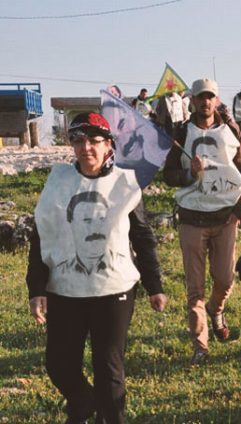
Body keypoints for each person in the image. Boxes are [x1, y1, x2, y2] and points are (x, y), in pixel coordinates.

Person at [26, 112, 167, 424]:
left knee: (109, 367)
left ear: (108, 146)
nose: (85, 147)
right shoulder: (58, 183)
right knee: (60, 364)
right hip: (64, 289)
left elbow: (142, 236)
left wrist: (154, 285)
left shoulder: (125, 184)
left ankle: (110, 417)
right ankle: (83, 401)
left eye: (94, 140)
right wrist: (36, 290)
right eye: (78, 139)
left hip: (113, 290)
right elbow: (41, 235)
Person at [163, 78, 241, 364]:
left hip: (225, 217)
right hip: (191, 218)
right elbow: (168, 176)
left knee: (225, 279)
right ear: (193, 101)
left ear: (216, 100)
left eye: (210, 97)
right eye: (201, 97)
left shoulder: (230, 131)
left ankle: (216, 309)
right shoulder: (181, 132)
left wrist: (240, 209)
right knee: (194, 288)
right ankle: (201, 345)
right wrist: (189, 173)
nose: (205, 102)